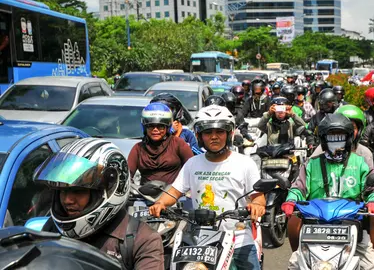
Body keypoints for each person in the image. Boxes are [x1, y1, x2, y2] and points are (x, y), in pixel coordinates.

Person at [149, 105, 266, 270]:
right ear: (199, 136)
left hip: (238, 239)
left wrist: (257, 206)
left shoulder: (245, 163)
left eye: (219, 132)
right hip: (200, 239)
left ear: (229, 134)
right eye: (208, 132)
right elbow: (175, 191)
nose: (214, 137)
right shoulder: (192, 163)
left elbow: (258, 197)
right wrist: (160, 203)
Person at [34, 138, 164, 270]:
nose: (68, 200)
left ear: (108, 190)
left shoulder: (142, 240)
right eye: (62, 191)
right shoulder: (53, 229)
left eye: (78, 191)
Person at [282, 114, 374, 269]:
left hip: (351, 225)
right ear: (323, 139)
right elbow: (298, 187)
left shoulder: (360, 163)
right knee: (294, 264)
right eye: (331, 136)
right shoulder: (311, 163)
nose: (336, 141)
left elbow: (373, 189)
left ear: (349, 138)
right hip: (314, 225)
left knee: (372, 267)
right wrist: (291, 200)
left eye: (340, 136)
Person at [128, 103, 193, 184]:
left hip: (174, 194)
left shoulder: (178, 144)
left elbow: (192, 171)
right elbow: (127, 175)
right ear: (145, 127)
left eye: (160, 126)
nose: (155, 130)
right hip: (144, 194)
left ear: (167, 127)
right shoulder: (138, 148)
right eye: (151, 126)